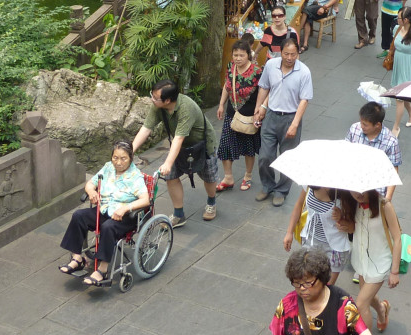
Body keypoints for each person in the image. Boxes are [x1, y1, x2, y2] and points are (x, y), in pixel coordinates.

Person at [57, 140, 149, 286]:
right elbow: (90, 183)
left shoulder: (135, 176)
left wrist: (125, 208)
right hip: (104, 210)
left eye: (123, 158)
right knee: (78, 216)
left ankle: (103, 269)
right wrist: (91, 191)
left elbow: (145, 200)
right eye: (115, 158)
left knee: (108, 227)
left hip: (124, 217)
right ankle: (77, 258)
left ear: (131, 158)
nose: (118, 162)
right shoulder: (107, 168)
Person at [132, 79, 220, 226]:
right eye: (152, 95)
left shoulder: (186, 108)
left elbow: (178, 138)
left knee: (208, 177)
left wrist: (167, 163)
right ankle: (179, 215)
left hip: (203, 144)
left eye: (155, 97)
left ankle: (211, 202)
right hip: (180, 146)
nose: (151, 99)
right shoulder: (158, 106)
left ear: (167, 100)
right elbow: (146, 128)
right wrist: (130, 151)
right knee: (170, 176)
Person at [269, 249, 376, 335]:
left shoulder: (343, 304)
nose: (302, 288)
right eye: (297, 283)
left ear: (322, 278)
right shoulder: (286, 306)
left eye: (308, 283)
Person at [252, 38, 313, 207]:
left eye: (293, 54)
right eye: (286, 54)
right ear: (280, 52)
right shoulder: (271, 66)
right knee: (265, 156)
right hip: (271, 115)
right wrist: (259, 108)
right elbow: (264, 86)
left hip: (290, 118)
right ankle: (267, 185)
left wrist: (295, 123)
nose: (289, 57)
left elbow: (304, 100)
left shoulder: (304, 72)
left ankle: (281, 190)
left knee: (288, 158)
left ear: (298, 53)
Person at [333, 189, 401, 334]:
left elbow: (397, 238)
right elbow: (353, 229)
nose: (358, 194)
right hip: (361, 259)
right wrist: (341, 219)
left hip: (380, 262)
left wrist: (394, 271)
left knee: (361, 304)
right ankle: (382, 309)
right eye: (354, 191)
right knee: (368, 296)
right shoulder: (354, 204)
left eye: (362, 191)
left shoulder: (384, 205)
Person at [216, 33, 263, 192]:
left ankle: (248, 176)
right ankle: (228, 177)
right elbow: (227, 86)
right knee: (225, 145)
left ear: (248, 54)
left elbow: (265, 91)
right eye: (235, 55)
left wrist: (260, 110)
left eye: (241, 55)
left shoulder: (257, 71)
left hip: (250, 114)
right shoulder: (231, 67)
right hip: (232, 113)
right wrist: (221, 104)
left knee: (248, 147)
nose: (238, 58)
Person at [283, 189, 350, 286]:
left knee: (325, 288)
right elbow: (299, 205)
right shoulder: (310, 184)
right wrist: (289, 232)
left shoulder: (344, 193)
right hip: (310, 241)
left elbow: (352, 225)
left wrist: (341, 217)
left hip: (334, 248)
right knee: (305, 283)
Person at [345, 102, 401, 202]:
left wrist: (388, 197)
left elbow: (393, 169)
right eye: (361, 122)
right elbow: (345, 151)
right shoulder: (354, 129)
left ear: (377, 125)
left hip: (375, 190)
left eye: (365, 124)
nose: (361, 126)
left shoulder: (390, 141)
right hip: (352, 184)